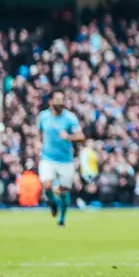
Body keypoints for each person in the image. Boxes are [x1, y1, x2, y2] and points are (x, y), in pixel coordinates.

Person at [37, 90, 85, 227]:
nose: (60, 103)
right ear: (51, 102)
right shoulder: (43, 117)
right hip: (48, 157)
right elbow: (39, 132)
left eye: (62, 100)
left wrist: (69, 137)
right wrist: (38, 143)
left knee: (64, 191)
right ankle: (53, 202)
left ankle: (62, 219)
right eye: (57, 100)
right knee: (46, 185)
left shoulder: (70, 118)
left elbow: (81, 136)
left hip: (65, 160)